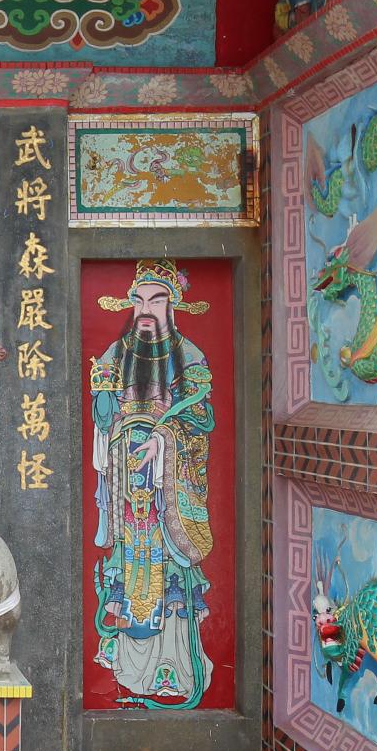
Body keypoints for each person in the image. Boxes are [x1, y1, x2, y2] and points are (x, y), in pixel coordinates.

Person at [89, 259, 216, 708]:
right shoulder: (115, 353)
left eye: (156, 300)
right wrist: (105, 402)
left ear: (172, 305)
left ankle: (174, 666)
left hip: (167, 485)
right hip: (126, 480)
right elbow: (103, 416)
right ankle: (131, 665)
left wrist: (163, 441)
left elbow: (201, 420)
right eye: (139, 300)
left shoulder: (190, 357)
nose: (146, 309)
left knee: (170, 572)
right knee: (130, 565)